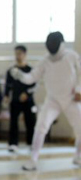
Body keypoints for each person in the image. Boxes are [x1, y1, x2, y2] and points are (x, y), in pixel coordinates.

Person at [11, 32, 81, 171]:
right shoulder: (45, 61)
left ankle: (78, 156)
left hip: (71, 98)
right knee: (40, 127)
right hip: (52, 100)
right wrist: (20, 75)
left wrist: (79, 90)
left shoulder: (72, 56)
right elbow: (32, 77)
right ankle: (33, 160)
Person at [4, 45, 37, 153]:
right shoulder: (11, 70)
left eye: (20, 53)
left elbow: (34, 85)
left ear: (25, 54)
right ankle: (13, 143)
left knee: (31, 121)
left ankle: (31, 143)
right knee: (13, 122)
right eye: (16, 53)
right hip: (15, 100)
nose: (18, 56)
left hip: (28, 101)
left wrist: (27, 94)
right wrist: (6, 95)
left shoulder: (30, 70)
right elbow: (7, 85)